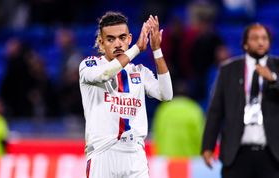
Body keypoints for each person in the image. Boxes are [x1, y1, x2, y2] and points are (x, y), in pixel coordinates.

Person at [79, 11, 173, 177]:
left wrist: (157, 50)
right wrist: (137, 48)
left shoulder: (140, 72)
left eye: (122, 38)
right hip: (103, 153)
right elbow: (105, 74)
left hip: (135, 154)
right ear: (101, 43)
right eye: (110, 39)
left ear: (129, 38)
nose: (118, 44)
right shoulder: (89, 66)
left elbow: (166, 94)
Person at [202, 23, 279, 178]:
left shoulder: (277, 68)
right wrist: (208, 146)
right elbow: (216, 111)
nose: (260, 42)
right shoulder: (228, 70)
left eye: (264, 38)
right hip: (236, 154)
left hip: (272, 154)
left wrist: (273, 80)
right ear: (245, 44)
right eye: (255, 38)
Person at [152, 81, 204, 157]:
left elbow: (157, 134)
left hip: (167, 160)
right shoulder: (194, 109)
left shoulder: (163, 109)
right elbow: (201, 135)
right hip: (189, 160)